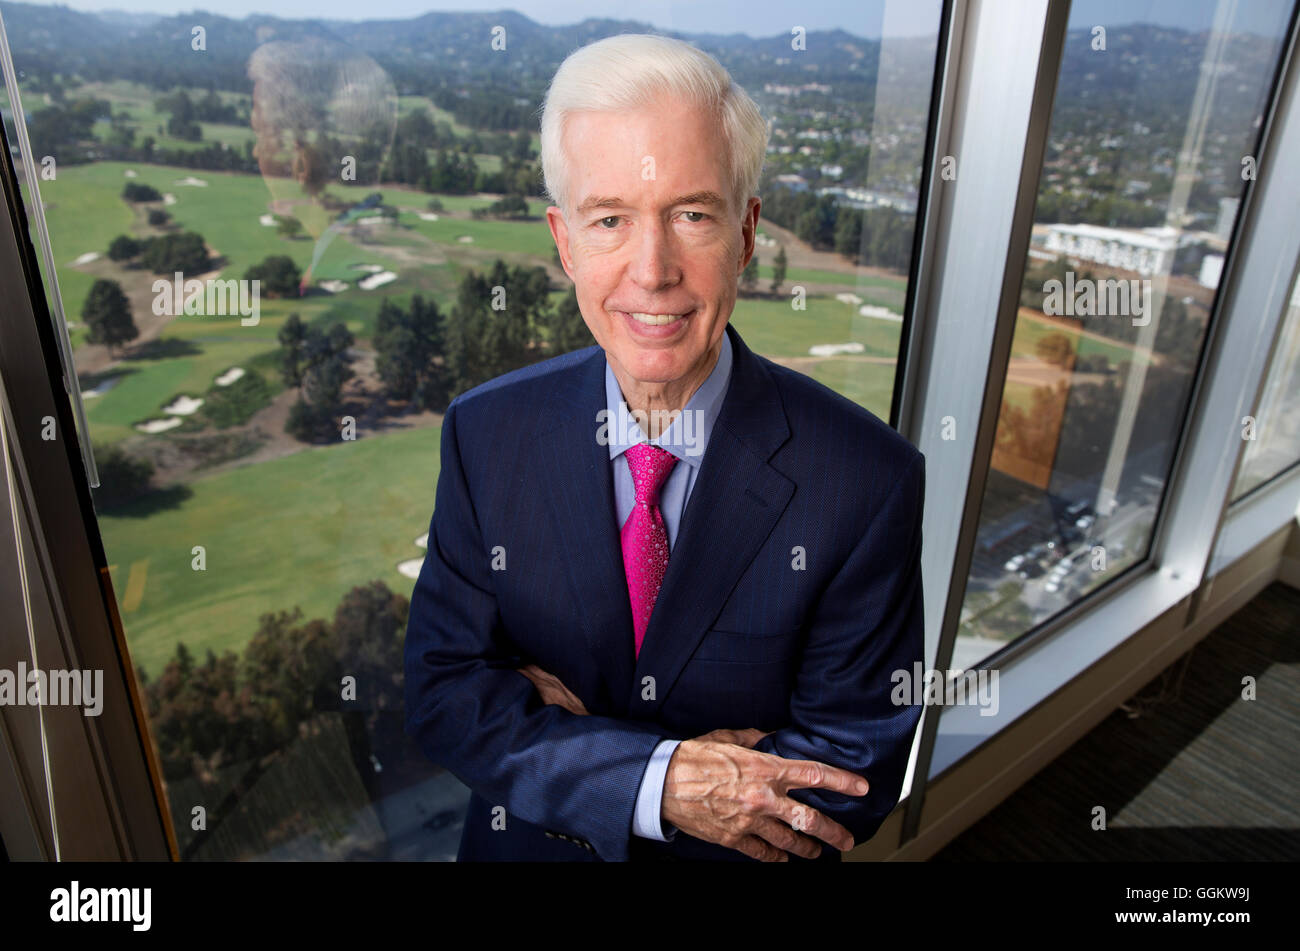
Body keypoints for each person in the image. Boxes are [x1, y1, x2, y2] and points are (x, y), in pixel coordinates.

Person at [404, 32, 925, 862]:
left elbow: (850, 773)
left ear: (747, 233)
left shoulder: (866, 480)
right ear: (564, 240)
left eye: (691, 214)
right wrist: (667, 780)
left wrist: (567, 748)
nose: (652, 270)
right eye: (610, 219)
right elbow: (445, 695)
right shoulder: (486, 433)